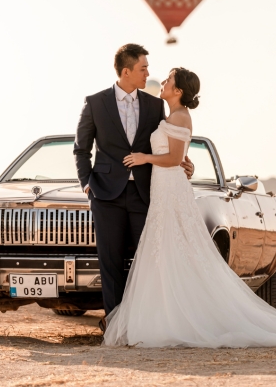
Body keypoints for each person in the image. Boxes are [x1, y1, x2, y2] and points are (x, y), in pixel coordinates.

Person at [103, 67, 276, 348]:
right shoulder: (172, 116)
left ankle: (176, 320)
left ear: (178, 91)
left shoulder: (180, 116)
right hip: (164, 186)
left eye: (168, 80)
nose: (162, 82)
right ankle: (165, 315)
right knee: (164, 251)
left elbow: (174, 157)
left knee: (173, 248)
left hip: (171, 188)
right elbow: (179, 157)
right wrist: (180, 162)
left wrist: (143, 158)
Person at [73, 44, 193, 332]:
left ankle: (146, 323)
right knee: (110, 262)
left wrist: (185, 163)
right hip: (105, 194)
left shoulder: (155, 105)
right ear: (126, 71)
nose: (148, 74)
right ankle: (116, 326)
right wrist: (87, 184)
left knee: (149, 259)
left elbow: (170, 142)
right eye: (143, 69)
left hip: (145, 193)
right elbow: (81, 149)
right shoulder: (95, 103)